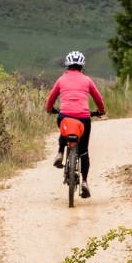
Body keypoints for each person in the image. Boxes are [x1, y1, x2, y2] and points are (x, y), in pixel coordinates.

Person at [46, 50, 105, 199]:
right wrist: (100, 111)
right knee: (84, 151)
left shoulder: (61, 80)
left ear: (67, 65)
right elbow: (98, 98)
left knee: (64, 129)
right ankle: (84, 182)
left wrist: (49, 110)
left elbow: (51, 98)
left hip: (65, 116)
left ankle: (60, 152)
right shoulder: (87, 80)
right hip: (84, 119)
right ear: (82, 66)